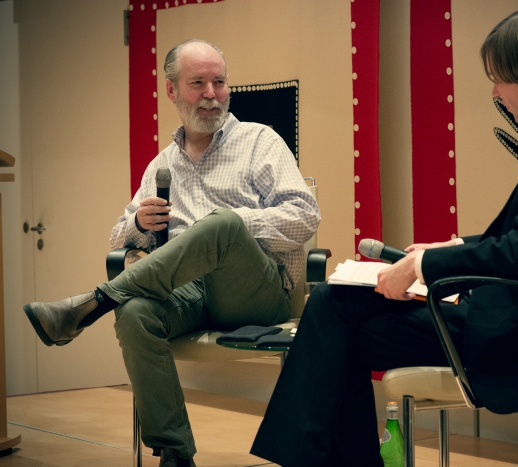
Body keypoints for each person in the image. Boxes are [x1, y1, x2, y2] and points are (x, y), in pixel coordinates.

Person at [250, 7, 518, 467]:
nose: (494, 92)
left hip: (513, 338)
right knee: (335, 312)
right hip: (509, 315)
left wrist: (422, 266)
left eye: (500, 79)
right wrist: (450, 248)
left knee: (332, 311)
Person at [23, 39, 320, 467]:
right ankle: (175, 454)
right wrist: (139, 224)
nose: (211, 94)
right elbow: (117, 237)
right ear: (172, 91)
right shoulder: (162, 164)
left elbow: (305, 216)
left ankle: (92, 303)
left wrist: (228, 227)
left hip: (255, 293)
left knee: (220, 225)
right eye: (197, 83)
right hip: (189, 294)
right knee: (135, 312)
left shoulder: (261, 142)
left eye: (219, 82)